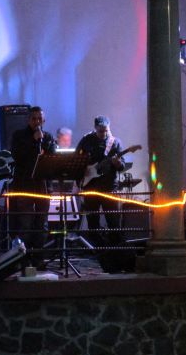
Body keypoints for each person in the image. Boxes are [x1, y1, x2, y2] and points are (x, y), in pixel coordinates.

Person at [75, 115, 127, 272]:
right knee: (93, 227)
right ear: (95, 128)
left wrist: (118, 164)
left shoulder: (115, 143)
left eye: (106, 131)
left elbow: (122, 166)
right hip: (91, 188)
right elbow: (76, 160)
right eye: (101, 131)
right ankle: (105, 257)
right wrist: (83, 172)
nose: (104, 134)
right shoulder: (86, 140)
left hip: (109, 188)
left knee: (114, 226)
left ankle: (118, 261)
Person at [9, 106, 56, 269]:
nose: (37, 122)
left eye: (39, 119)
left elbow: (52, 158)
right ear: (28, 120)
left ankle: (38, 259)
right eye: (34, 118)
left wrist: (43, 144)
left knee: (42, 225)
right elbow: (17, 157)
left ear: (44, 120)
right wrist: (33, 141)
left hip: (43, 186)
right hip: (25, 185)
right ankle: (23, 259)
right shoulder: (19, 136)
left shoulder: (48, 137)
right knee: (26, 224)